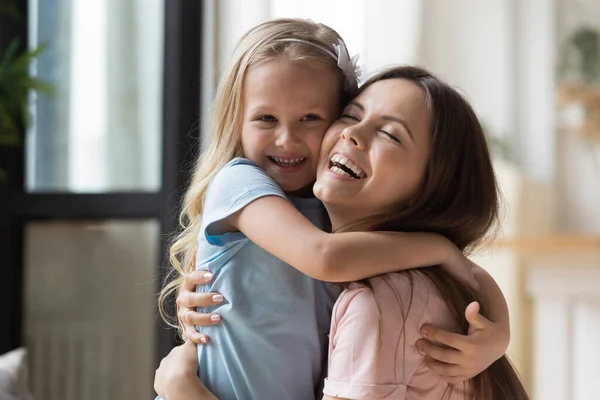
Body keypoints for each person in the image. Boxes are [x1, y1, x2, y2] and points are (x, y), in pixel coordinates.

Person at [157, 18, 511, 400]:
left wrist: (499, 336)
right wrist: (437, 247)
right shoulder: (240, 183)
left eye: (310, 118)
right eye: (266, 119)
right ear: (236, 122)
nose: (287, 138)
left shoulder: (336, 216)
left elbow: (469, 275)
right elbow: (321, 257)